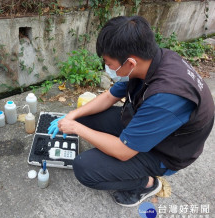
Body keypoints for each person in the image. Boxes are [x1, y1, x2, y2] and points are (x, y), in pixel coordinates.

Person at [48, 16, 214, 207]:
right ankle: (115, 155)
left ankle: (146, 184)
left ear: (130, 63)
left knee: (85, 168)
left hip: (164, 153)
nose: (107, 68)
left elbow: (123, 152)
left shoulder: (167, 97)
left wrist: (76, 128)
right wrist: (73, 116)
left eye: (109, 63)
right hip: (150, 127)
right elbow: (111, 95)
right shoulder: (153, 60)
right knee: (85, 115)